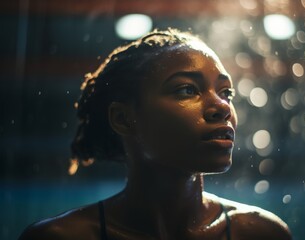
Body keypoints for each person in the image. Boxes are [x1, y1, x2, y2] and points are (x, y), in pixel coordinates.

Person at [19, 28, 291, 240]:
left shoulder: (263, 234)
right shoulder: (60, 238)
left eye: (226, 92)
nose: (222, 107)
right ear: (124, 119)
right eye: (186, 89)